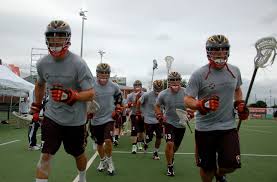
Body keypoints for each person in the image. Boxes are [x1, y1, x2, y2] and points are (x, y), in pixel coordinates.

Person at [31, 20, 95, 182]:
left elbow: (91, 93)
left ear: (67, 39)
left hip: (75, 120)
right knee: (46, 154)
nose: (56, 41)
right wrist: (37, 107)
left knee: (77, 153)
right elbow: (39, 84)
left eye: (60, 37)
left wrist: (73, 96)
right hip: (53, 116)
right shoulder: (43, 63)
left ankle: (82, 177)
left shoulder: (78, 64)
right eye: (52, 37)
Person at [184, 35, 249, 182]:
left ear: (228, 51)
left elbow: (237, 90)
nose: (220, 53)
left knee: (232, 164)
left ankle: (220, 175)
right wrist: (201, 104)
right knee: (207, 168)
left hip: (228, 126)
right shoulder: (199, 74)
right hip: (205, 128)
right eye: (215, 50)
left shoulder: (235, 71)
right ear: (208, 52)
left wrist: (239, 104)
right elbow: (187, 99)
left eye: (223, 49)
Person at [155, 72, 194, 176]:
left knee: (175, 148)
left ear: (180, 81)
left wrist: (191, 113)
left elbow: (192, 104)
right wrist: (159, 115)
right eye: (172, 80)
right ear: (169, 82)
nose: (175, 82)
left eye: (177, 79)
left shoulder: (186, 92)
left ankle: (171, 157)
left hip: (181, 124)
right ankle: (170, 167)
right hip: (169, 122)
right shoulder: (163, 93)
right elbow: (157, 105)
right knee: (169, 143)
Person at [88, 63, 123, 175]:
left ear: (109, 74)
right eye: (101, 72)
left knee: (108, 140)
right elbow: (85, 99)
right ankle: (103, 161)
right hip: (95, 119)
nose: (104, 75)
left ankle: (110, 162)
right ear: (97, 73)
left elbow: (119, 99)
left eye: (106, 72)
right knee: (99, 144)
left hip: (109, 118)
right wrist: (88, 111)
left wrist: (117, 110)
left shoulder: (114, 86)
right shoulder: (90, 85)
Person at [137, 80, 164, 160]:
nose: (158, 91)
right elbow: (139, 102)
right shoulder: (147, 95)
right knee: (149, 138)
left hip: (159, 119)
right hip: (148, 119)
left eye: (159, 89)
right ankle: (145, 143)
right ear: (154, 87)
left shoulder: (163, 95)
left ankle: (155, 152)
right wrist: (139, 112)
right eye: (156, 89)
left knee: (159, 136)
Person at [126, 80, 145, 154]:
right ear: (133, 86)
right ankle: (134, 145)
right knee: (134, 129)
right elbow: (128, 105)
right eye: (136, 85)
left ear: (141, 86)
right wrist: (129, 108)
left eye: (138, 85)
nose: (137, 86)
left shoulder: (145, 94)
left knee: (141, 131)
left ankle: (139, 142)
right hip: (134, 114)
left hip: (142, 114)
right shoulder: (130, 95)